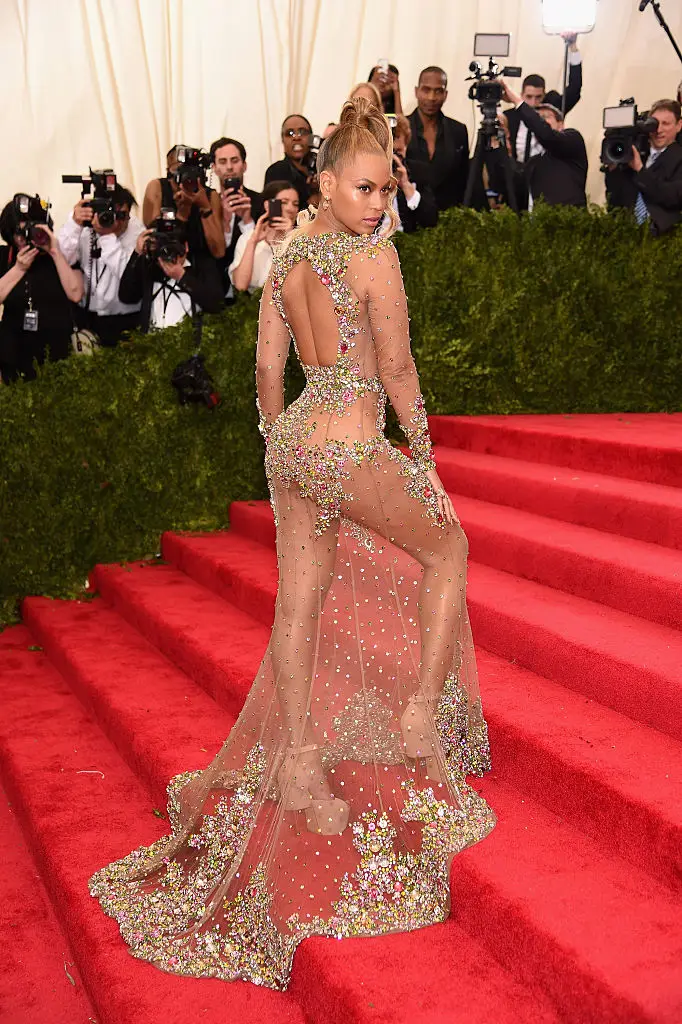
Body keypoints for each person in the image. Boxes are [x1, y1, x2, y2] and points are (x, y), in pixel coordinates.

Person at [89, 96, 496, 990]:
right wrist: (424, 454)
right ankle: (419, 713)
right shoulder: (375, 258)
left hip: (296, 446)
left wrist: (281, 443)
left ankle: (302, 763)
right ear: (327, 182)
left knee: (300, 604)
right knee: (449, 550)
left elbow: (268, 370)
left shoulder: (285, 254)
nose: (378, 206)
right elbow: (396, 368)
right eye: (364, 189)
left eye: (385, 191)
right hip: (348, 444)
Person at [0, 195, 83, 382]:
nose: (24, 238)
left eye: (30, 230)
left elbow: (76, 294)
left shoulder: (61, 254)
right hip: (14, 353)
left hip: (57, 353)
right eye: (19, 232)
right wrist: (18, 269)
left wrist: (55, 251)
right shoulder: (5, 256)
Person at [57, 184, 144, 347]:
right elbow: (62, 260)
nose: (116, 222)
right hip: (87, 318)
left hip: (125, 320)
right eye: (110, 214)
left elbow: (130, 277)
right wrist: (74, 224)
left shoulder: (137, 232)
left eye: (122, 215)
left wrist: (107, 237)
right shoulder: (86, 228)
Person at [118, 221, 224, 332]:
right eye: (162, 247)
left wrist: (182, 276)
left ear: (186, 247)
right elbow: (126, 296)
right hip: (152, 339)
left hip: (189, 339)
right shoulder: (150, 267)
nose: (168, 253)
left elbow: (216, 304)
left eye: (173, 247)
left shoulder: (202, 268)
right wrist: (137, 253)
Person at [501, 83, 587, 209]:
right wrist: (502, 148)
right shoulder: (534, 161)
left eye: (546, 117)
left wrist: (516, 101)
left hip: (568, 219)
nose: (542, 121)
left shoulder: (573, 139)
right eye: (539, 118)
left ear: (561, 124)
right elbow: (515, 182)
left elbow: (547, 135)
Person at [604, 99, 682, 236]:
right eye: (654, 124)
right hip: (624, 233)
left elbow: (672, 197)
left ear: (679, 125)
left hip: (662, 236)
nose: (659, 130)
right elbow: (614, 198)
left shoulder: (678, 158)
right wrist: (613, 167)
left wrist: (640, 170)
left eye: (666, 124)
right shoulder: (632, 153)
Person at [505, 34, 583, 165]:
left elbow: (574, 88)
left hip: (546, 171)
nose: (533, 103)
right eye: (529, 97)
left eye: (538, 97)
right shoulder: (510, 116)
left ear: (544, 95)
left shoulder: (552, 111)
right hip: (517, 171)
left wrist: (573, 47)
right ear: (521, 95)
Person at [142, 146, 225, 260]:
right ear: (169, 170)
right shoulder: (158, 187)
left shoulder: (209, 195)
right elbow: (154, 241)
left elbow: (219, 251)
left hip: (201, 263)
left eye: (190, 168)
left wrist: (205, 207)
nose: (185, 173)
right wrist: (181, 215)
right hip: (167, 261)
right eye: (179, 167)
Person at [406, 66, 469, 211]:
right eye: (426, 90)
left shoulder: (458, 131)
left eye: (438, 91)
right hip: (408, 215)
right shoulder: (400, 130)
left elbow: (463, 178)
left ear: (445, 94)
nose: (431, 97)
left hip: (448, 216)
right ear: (416, 91)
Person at [209, 136, 264, 298]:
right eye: (223, 162)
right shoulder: (207, 206)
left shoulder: (260, 202)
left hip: (251, 292)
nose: (229, 167)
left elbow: (263, 252)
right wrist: (225, 222)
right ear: (214, 168)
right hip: (216, 291)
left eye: (234, 160)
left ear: (244, 165)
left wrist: (247, 222)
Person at [229, 181, 299, 293]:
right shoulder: (248, 237)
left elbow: (298, 285)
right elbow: (240, 286)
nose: (291, 209)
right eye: (284, 202)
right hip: (252, 302)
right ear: (268, 205)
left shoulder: (301, 241)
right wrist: (253, 242)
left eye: (295, 204)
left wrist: (289, 238)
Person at [391, 114, 439, 231]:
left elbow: (430, 220)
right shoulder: (364, 174)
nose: (393, 159)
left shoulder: (419, 171)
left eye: (398, 152)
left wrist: (406, 186)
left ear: (406, 146)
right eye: (388, 152)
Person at [264, 114, 317, 210]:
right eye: (290, 133)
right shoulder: (275, 172)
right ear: (283, 141)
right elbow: (274, 212)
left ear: (312, 139)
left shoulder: (323, 168)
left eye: (302, 132)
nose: (296, 137)